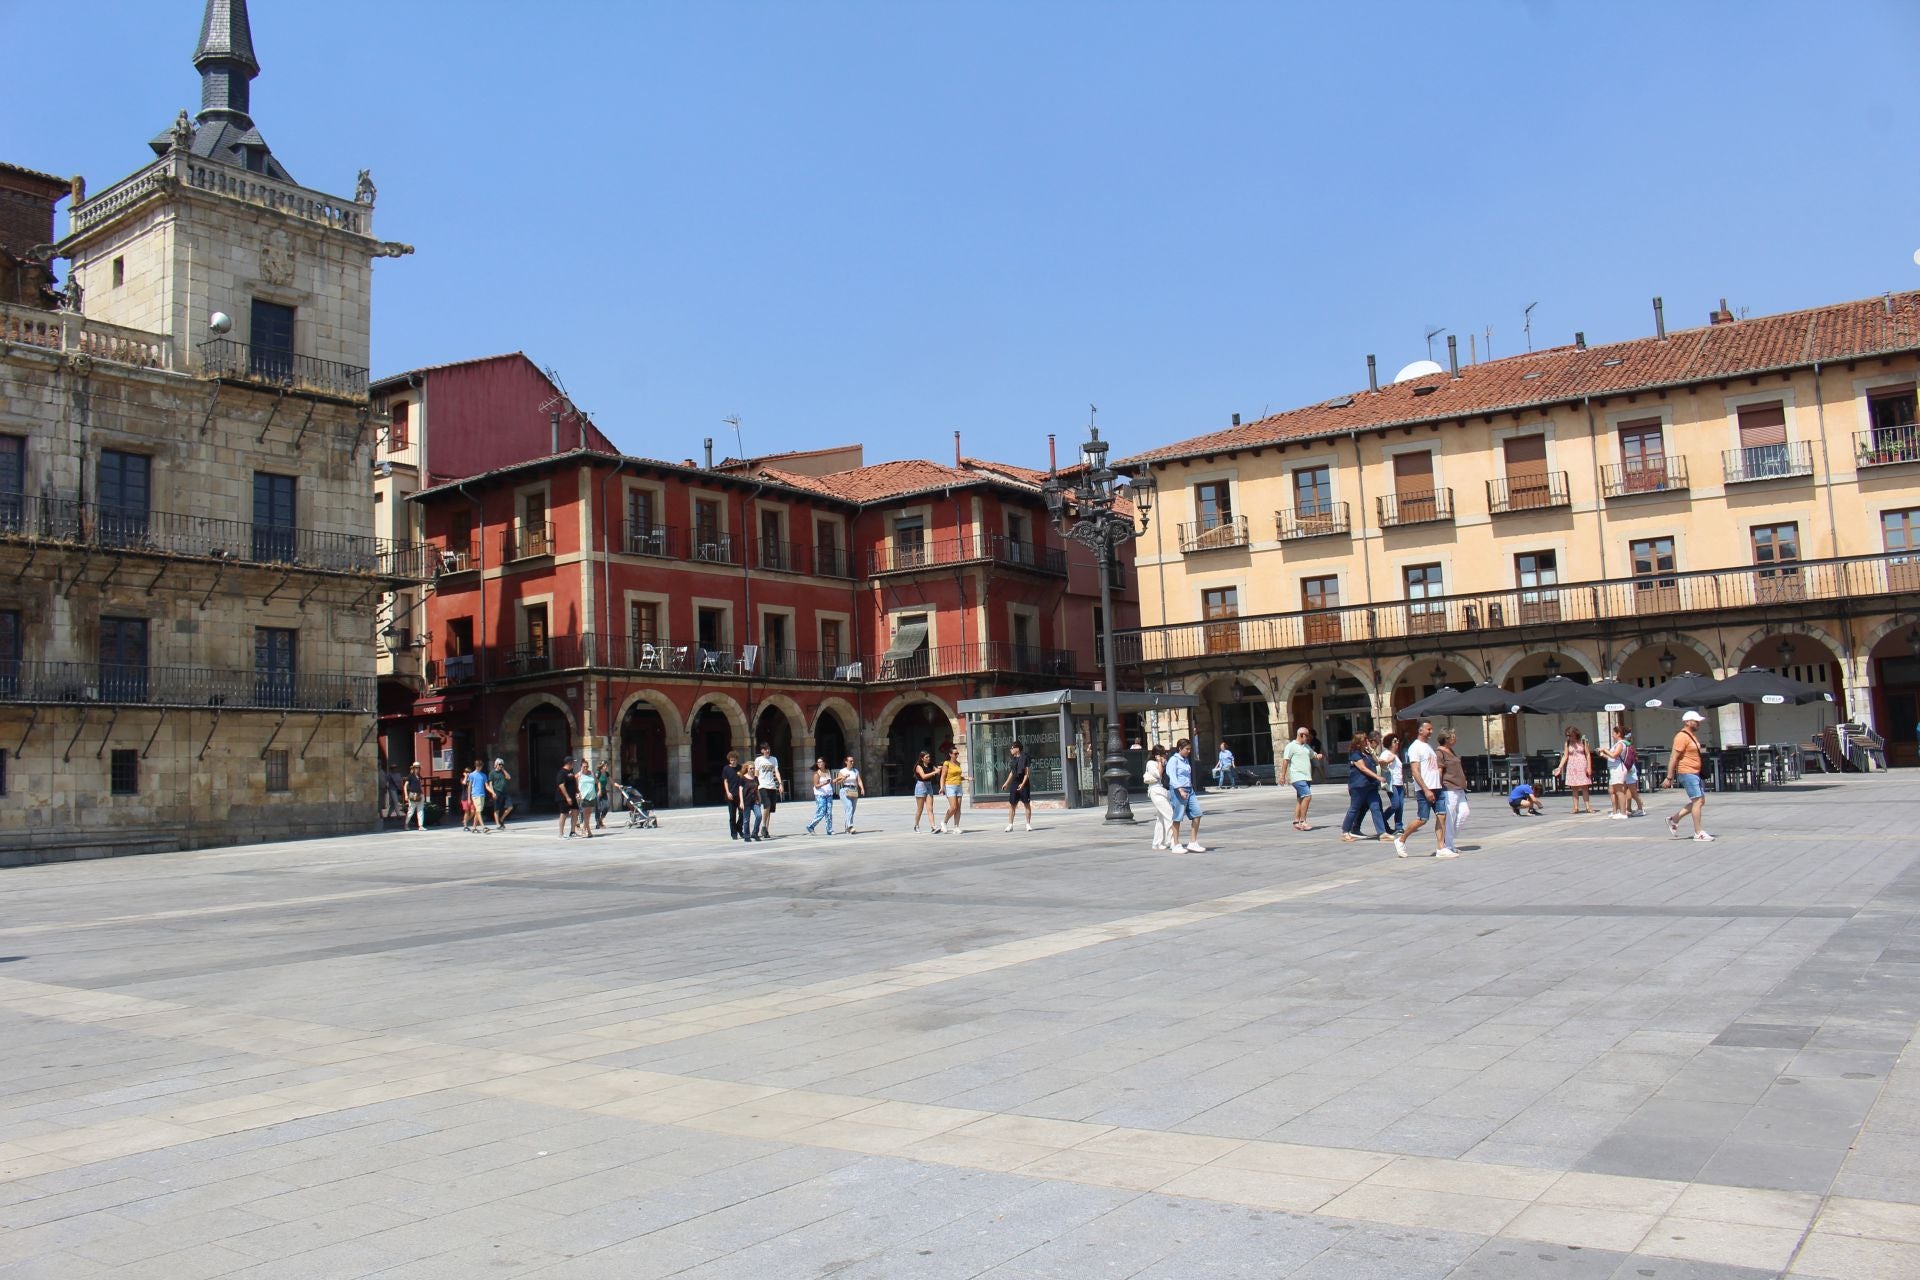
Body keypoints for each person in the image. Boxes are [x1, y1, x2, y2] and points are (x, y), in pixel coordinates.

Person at [1396, 720, 1448, 859]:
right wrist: (1426, 789)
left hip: (1437, 787)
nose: (1431, 731)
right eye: (1429, 729)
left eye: (1431, 729)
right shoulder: (1415, 747)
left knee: (1442, 816)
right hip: (1425, 789)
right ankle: (1401, 839)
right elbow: (1415, 771)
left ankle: (1441, 848)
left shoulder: (1428, 747)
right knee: (1422, 819)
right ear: (1420, 730)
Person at [1666, 710, 1713, 841]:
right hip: (1687, 772)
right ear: (1687, 722)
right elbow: (1673, 757)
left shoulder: (1691, 735)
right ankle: (1698, 832)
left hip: (1695, 772)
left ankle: (1674, 819)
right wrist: (1669, 777)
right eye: (1696, 721)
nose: (1698, 723)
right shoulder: (1681, 737)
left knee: (1700, 801)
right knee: (1697, 801)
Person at [1340, 733, 1390, 844]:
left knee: (1375, 807)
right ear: (1358, 742)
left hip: (1371, 785)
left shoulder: (1367, 753)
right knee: (1354, 808)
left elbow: (1377, 762)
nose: (1366, 741)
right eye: (1364, 739)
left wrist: (1372, 751)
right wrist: (1377, 777)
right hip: (1359, 786)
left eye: (1366, 739)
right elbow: (1362, 768)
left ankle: (1382, 833)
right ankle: (1345, 831)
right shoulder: (1355, 754)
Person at [1166, 738, 1205, 852]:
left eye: (1190, 749)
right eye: (1187, 749)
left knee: (1197, 813)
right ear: (1180, 748)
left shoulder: (1185, 760)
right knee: (1178, 817)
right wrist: (1180, 790)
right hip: (1179, 790)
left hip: (1189, 789)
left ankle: (1193, 842)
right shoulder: (1174, 760)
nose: (1189, 751)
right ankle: (1176, 844)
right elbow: (1172, 776)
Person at [1282, 726, 1321, 831]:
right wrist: (1282, 776)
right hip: (1297, 776)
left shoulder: (1306, 746)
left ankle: (1296, 821)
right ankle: (1303, 821)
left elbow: (1313, 755)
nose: (1308, 738)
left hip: (1306, 776)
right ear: (1301, 735)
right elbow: (1285, 760)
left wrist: (1318, 756)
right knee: (1307, 796)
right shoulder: (1291, 746)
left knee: (1301, 799)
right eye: (1307, 736)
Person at [1437, 729, 1469, 857]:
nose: (1455, 739)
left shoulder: (1451, 751)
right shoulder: (1440, 753)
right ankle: (1448, 844)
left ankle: (1449, 841)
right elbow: (1439, 771)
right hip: (1449, 788)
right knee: (1450, 818)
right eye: (1453, 737)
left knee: (1464, 812)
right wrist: (1438, 788)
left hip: (1459, 788)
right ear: (1446, 739)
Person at [1553, 726, 1595, 814]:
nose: (1569, 737)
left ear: (1575, 734)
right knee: (1574, 787)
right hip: (1572, 766)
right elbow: (1565, 756)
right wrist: (1560, 767)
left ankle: (1588, 807)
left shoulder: (1583, 741)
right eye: (1567, 736)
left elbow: (1587, 754)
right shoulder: (1567, 743)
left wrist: (1589, 767)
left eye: (1570, 735)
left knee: (1584, 787)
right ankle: (1576, 807)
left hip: (1582, 765)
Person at [1143, 744, 1177, 851]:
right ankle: (1171, 841)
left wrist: (1162, 762)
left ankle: (1157, 843)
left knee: (1160, 818)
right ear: (1157, 754)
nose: (1165, 755)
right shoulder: (1151, 763)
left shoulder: (1162, 762)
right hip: (1155, 791)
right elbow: (1158, 775)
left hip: (1161, 790)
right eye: (1163, 753)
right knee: (1170, 815)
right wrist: (1159, 762)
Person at [1001, 740, 1033, 832]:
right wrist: (1006, 783)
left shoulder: (1025, 757)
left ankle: (1028, 824)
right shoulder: (1013, 759)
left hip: (1024, 782)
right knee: (1012, 804)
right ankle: (1010, 825)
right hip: (1015, 783)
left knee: (1026, 804)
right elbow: (1012, 772)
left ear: (1017, 749)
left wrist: (1022, 784)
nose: (1010, 750)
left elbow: (1027, 773)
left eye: (1012, 748)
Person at [1378, 733, 1406, 835]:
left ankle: (1399, 826)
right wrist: (1390, 759)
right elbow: (1380, 762)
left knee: (1401, 806)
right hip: (1392, 783)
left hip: (1399, 784)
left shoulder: (1396, 756)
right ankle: (1382, 820)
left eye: (1397, 741)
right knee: (1396, 805)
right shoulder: (1386, 753)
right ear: (1389, 743)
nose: (1397, 743)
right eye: (1394, 741)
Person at [1599, 725, 1629, 819]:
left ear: (1618, 734)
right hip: (1614, 769)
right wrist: (1603, 754)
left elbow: (1615, 755)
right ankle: (1618, 811)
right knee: (1614, 790)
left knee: (1620, 791)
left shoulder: (1621, 744)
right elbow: (1612, 758)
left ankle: (1623, 813)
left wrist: (1605, 750)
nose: (1612, 735)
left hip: (1619, 769)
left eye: (1613, 733)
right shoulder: (1617, 744)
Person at [753, 743, 783, 838]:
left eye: (768, 749)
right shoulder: (758, 760)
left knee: (769, 809)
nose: (767, 751)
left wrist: (780, 783)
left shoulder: (774, 759)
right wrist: (755, 786)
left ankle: (766, 830)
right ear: (762, 751)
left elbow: (776, 771)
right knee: (767, 804)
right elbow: (756, 774)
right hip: (762, 786)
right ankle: (763, 826)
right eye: (765, 749)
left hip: (772, 786)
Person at [937, 745, 968, 834]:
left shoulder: (958, 764)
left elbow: (958, 776)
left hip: (958, 786)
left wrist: (966, 778)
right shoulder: (946, 763)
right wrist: (942, 787)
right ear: (950, 754)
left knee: (958, 808)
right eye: (955, 753)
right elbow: (943, 776)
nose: (957, 755)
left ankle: (956, 827)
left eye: (957, 753)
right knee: (953, 807)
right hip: (949, 786)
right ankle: (944, 822)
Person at [805, 758, 836, 835]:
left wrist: (840, 779)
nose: (819, 764)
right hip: (820, 795)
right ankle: (811, 826)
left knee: (829, 812)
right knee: (821, 812)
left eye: (820, 762)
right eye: (817, 762)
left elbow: (830, 781)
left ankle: (829, 829)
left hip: (829, 794)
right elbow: (816, 786)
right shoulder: (816, 774)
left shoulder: (828, 771)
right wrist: (824, 783)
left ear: (824, 763)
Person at [911, 751, 940, 833]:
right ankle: (916, 825)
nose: (928, 758)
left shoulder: (930, 765)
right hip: (921, 786)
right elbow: (923, 776)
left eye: (929, 757)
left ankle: (933, 826)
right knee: (920, 809)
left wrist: (939, 769)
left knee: (930, 808)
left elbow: (937, 770)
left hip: (929, 786)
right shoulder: (918, 766)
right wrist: (934, 772)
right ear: (922, 758)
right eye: (926, 757)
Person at [836, 755, 865, 833]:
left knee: (852, 810)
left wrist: (862, 788)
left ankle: (847, 827)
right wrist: (844, 778)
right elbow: (838, 782)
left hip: (854, 790)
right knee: (849, 806)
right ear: (846, 762)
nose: (852, 762)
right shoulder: (842, 771)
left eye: (853, 761)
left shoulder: (855, 771)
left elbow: (859, 780)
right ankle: (850, 826)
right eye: (850, 761)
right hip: (845, 790)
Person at [1620, 729, 1646, 816]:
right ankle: (1629, 808)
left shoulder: (1624, 745)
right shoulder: (1629, 745)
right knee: (1628, 790)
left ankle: (1640, 808)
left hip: (1628, 769)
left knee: (1633, 791)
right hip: (1629, 768)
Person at [737, 757, 764, 841]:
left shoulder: (755, 778)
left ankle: (755, 833)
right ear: (747, 769)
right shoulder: (743, 778)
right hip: (746, 801)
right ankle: (747, 836)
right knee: (746, 820)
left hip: (755, 800)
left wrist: (760, 799)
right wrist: (741, 802)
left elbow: (757, 789)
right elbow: (740, 789)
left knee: (759, 816)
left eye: (753, 768)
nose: (752, 770)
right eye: (750, 768)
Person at [721, 750, 743, 840]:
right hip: (731, 795)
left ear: (737, 759)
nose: (732, 762)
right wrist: (727, 792)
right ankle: (734, 833)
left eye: (734, 760)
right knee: (732, 815)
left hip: (740, 795)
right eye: (731, 760)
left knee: (742, 814)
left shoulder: (740, 768)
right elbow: (725, 781)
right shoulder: (726, 768)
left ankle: (739, 828)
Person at [466, 760, 492, 834]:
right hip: (475, 795)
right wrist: (469, 797)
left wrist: (492, 792)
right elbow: (469, 786)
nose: (479, 768)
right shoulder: (471, 775)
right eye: (478, 766)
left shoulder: (483, 775)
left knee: (478, 811)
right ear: (476, 766)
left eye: (480, 766)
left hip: (482, 795)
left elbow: (486, 785)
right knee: (479, 811)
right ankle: (483, 827)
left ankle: (474, 828)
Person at [574, 762, 598, 838]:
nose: (586, 768)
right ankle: (588, 831)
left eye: (587, 766)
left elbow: (597, 782)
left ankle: (584, 829)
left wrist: (598, 789)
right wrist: (577, 793)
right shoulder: (579, 775)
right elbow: (574, 784)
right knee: (585, 814)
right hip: (583, 796)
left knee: (588, 814)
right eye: (584, 766)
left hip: (592, 796)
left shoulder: (591, 773)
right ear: (581, 767)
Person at [555, 758, 579, 838]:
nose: (573, 764)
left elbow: (573, 783)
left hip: (572, 797)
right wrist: (567, 797)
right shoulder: (561, 773)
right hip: (563, 797)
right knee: (564, 814)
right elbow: (561, 785)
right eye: (572, 762)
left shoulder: (571, 772)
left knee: (575, 812)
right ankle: (561, 834)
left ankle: (572, 832)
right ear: (569, 763)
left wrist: (577, 792)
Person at [489, 757, 514, 830]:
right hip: (497, 792)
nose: (501, 765)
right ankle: (497, 824)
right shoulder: (492, 773)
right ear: (496, 764)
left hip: (505, 792)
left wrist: (503, 770)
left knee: (510, 807)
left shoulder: (503, 772)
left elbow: (509, 778)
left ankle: (501, 819)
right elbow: (490, 784)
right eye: (500, 764)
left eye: (502, 764)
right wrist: (493, 793)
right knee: (497, 809)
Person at [402, 762, 426, 831]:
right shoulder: (410, 776)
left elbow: (420, 786)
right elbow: (405, 786)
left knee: (420, 810)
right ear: (413, 768)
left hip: (420, 795)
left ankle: (420, 826)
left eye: (419, 768)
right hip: (413, 795)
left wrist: (422, 794)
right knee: (411, 811)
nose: (418, 769)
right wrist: (406, 795)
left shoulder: (419, 777)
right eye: (416, 767)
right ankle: (406, 824)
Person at [593, 762, 612, 830]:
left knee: (607, 806)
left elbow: (612, 782)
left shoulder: (606, 773)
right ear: (602, 766)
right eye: (605, 766)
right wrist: (599, 790)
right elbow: (597, 781)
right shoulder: (598, 773)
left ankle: (600, 820)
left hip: (603, 792)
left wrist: (618, 786)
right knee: (598, 808)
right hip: (597, 792)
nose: (606, 767)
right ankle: (598, 823)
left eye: (607, 766)